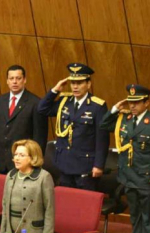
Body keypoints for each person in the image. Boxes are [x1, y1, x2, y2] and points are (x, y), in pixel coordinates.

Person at [100, 84, 150, 233]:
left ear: (147, 103)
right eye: (131, 102)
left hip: (147, 177)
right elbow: (103, 124)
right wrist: (116, 109)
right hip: (129, 176)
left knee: (148, 218)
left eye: (137, 102)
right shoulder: (123, 119)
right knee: (135, 217)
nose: (133, 106)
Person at [38, 63, 109, 191]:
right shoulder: (65, 101)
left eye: (80, 83)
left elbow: (102, 139)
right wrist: (55, 91)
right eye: (73, 83)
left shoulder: (97, 106)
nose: (75, 87)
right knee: (68, 204)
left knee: (84, 205)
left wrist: (99, 165)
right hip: (65, 162)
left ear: (88, 84)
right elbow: (42, 109)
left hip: (85, 165)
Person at [0, 65, 48, 173]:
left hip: (24, 162)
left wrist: (35, 160)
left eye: (18, 78)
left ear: (24, 80)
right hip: (1, 160)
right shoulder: (0, 100)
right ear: (7, 81)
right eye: (11, 78)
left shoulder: (35, 103)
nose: (14, 82)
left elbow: (39, 136)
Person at [0, 139, 55, 233]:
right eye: (16, 154)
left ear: (33, 157)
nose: (16, 158)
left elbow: (49, 209)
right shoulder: (10, 176)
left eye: (21, 155)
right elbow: (4, 205)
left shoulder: (44, 177)